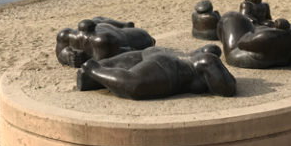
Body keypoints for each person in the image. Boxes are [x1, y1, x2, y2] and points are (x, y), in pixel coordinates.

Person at [76, 44, 237, 100]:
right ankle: (93, 69)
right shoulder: (207, 61)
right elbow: (227, 89)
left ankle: (91, 75)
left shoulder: (195, 57)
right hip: (169, 68)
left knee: (130, 73)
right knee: (134, 84)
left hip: (159, 55)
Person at [216, 11, 291, 70]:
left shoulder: (266, 36)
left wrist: (257, 33)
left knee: (230, 17)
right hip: (281, 57)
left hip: (249, 56)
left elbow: (241, 43)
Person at [56, 17, 155, 68]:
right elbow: (59, 55)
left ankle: (125, 25)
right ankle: (125, 25)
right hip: (108, 30)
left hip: (117, 34)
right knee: (96, 19)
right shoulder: (65, 35)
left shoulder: (102, 40)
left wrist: (83, 58)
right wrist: (66, 55)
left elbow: (103, 63)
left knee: (98, 20)